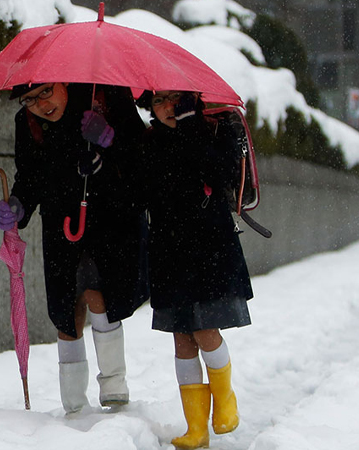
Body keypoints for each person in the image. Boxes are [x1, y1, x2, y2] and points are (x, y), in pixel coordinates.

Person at [0, 82, 149, 414]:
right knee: (66, 310)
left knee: (99, 295)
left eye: (46, 92)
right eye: (30, 100)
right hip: (60, 224)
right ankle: (74, 403)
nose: (40, 105)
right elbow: (31, 174)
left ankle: (114, 386)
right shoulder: (29, 123)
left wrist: (109, 142)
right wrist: (18, 206)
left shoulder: (104, 97)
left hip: (111, 220)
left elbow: (141, 158)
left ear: (63, 81)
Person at [135, 90, 253, 449]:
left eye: (174, 99)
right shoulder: (151, 142)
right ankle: (196, 427)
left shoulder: (218, 131)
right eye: (159, 102)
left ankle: (226, 399)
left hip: (209, 247)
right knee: (182, 338)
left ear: (190, 99)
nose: (168, 108)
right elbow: (143, 192)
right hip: (169, 250)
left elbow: (219, 175)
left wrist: (189, 127)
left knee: (204, 329)